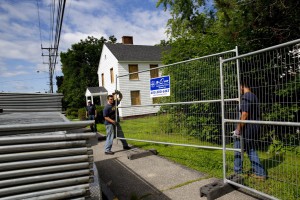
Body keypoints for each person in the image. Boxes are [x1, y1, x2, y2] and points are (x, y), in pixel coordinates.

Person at [233, 81, 266, 180]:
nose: (239, 90)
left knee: (238, 149)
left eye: (239, 87)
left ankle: (238, 172)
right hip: (252, 127)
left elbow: (244, 115)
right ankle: (260, 173)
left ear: (242, 86)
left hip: (246, 129)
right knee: (250, 149)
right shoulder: (253, 96)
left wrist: (238, 130)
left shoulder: (247, 97)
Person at [103, 91, 130, 155]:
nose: (112, 100)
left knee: (121, 134)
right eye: (110, 99)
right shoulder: (106, 107)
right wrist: (113, 121)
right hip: (109, 124)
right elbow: (105, 117)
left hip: (116, 123)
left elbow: (120, 97)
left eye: (112, 99)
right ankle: (107, 150)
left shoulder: (115, 103)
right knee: (110, 136)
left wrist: (119, 93)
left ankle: (125, 146)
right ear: (108, 100)